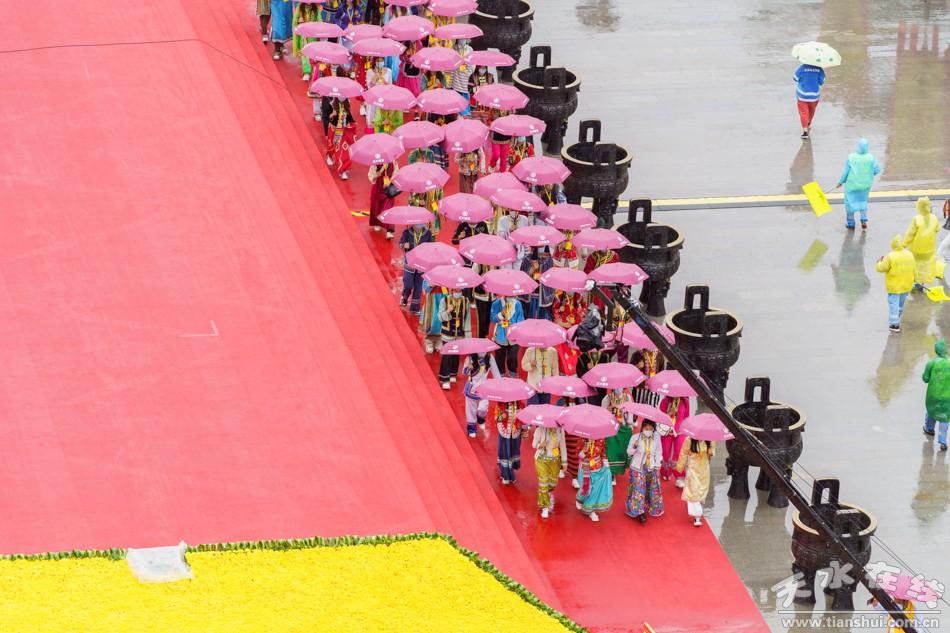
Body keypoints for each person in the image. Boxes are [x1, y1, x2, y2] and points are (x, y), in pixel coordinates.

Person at [833, 138, 881, 230]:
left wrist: (840, 182)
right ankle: (863, 220)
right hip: (865, 185)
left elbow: (846, 172)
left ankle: (851, 223)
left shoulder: (851, 157)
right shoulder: (871, 157)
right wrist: (868, 174)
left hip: (852, 185)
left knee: (849, 203)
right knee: (863, 201)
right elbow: (877, 170)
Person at [625, 419, 664, 523]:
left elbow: (659, 452)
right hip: (638, 467)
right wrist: (635, 446)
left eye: (651, 429)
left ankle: (649, 506)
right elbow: (628, 452)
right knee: (639, 490)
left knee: (651, 488)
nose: (649, 431)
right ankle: (639, 512)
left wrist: (657, 464)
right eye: (647, 429)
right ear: (642, 428)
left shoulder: (656, 437)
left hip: (651, 467)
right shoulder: (635, 437)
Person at [874, 235, 915, 332]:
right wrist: (915, 278)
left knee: (893, 304)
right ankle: (898, 315)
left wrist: (878, 262)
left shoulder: (890, 256)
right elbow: (914, 269)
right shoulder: (909, 254)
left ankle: (894, 324)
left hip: (895, 286)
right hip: (906, 285)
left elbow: (882, 268)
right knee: (901, 302)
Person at [903, 197, 941, 290]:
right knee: (925, 266)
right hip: (929, 248)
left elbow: (910, 234)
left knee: (916, 265)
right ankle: (921, 282)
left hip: (917, 248)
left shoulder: (916, 219)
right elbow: (938, 229)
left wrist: (904, 244)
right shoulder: (934, 218)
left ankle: (916, 282)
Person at [675, 438, 714, 526]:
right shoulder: (689, 440)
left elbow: (710, 455)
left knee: (702, 490)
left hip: (704, 469)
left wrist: (711, 453)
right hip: (693, 468)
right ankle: (697, 516)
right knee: (693, 491)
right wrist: (680, 467)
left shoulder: (710, 439)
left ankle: (699, 506)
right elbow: (683, 453)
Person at [437, 289, 471, 389]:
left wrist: (468, 336)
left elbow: (467, 319)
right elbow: (440, 317)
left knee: (456, 354)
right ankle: (444, 378)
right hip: (447, 334)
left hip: (459, 334)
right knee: (446, 356)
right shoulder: (445, 300)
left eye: (459, 290)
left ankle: (453, 373)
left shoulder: (466, 301)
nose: (458, 292)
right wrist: (448, 311)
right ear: (452, 290)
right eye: (456, 290)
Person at [532, 424, 567, 519]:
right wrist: (540, 445)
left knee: (552, 483)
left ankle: (547, 493)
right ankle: (545, 507)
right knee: (543, 483)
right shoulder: (539, 430)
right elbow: (534, 444)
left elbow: (563, 446)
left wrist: (564, 462)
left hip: (555, 461)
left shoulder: (560, 431)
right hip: (541, 460)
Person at [575, 438, 612, 522]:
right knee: (586, 490)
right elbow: (577, 454)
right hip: (585, 467)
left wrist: (606, 465)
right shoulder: (582, 440)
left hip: (598, 469)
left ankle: (590, 510)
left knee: (595, 491)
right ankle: (579, 498)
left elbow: (603, 453)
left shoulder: (601, 440)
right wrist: (583, 452)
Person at [922, 339, 950, 451]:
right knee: (945, 417)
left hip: (933, 395)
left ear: (936, 350)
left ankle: (929, 429)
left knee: (931, 410)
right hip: (947, 396)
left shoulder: (931, 363)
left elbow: (925, 379)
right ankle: (943, 442)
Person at [462, 353, 499, 437]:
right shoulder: (470, 357)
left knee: (483, 408)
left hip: (484, 387)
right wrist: (468, 367)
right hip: (471, 387)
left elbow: (496, 372)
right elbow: (464, 372)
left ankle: (480, 418)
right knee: (470, 409)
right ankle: (471, 428)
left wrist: (499, 383)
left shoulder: (490, 357)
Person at [399, 223, 432, 313]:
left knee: (418, 286)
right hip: (410, 263)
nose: (419, 225)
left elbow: (430, 246)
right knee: (408, 283)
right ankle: (405, 296)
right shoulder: (406, 232)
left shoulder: (428, 233)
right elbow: (400, 244)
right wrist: (404, 245)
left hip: (421, 264)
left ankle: (415, 308)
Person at [659, 394, 689, 486]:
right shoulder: (665, 401)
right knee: (666, 453)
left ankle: (680, 476)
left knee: (679, 453)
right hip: (667, 430)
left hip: (680, 431)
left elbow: (686, 416)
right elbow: (660, 416)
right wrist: (669, 414)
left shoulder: (685, 401)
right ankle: (666, 472)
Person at [490, 295, 524, 377]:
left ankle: (513, 374)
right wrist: (501, 314)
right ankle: (500, 375)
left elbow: (521, 320)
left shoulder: (517, 304)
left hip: (514, 335)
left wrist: (513, 325)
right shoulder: (496, 303)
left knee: (513, 357)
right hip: (500, 335)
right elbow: (492, 318)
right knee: (499, 357)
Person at [603, 388, 633, 481]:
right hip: (611, 428)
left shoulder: (627, 397)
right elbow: (603, 413)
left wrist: (630, 424)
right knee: (611, 451)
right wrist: (609, 408)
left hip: (623, 427)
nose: (618, 388)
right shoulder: (607, 398)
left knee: (621, 450)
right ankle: (612, 473)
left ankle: (618, 470)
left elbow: (630, 412)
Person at [495, 401, 525, 484]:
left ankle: (508, 473)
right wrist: (501, 417)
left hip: (515, 435)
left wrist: (523, 427)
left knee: (512, 454)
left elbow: (524, 419)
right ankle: (506, 476)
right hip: (504, 434)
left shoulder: (521, 405)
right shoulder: (500, 404)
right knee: (505, 454)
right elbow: (496, 419)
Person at [793, 62, 825, 139]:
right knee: (811, 110)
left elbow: (795, 78)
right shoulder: (819, 69)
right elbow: (821, 82)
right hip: (814, 95)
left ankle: (805, 131)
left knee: (803, 113)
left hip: (802, 95)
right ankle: (808, 121)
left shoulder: (803, 67)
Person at [327, 98, 356, 180]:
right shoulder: (331, 104)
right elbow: (326, 117)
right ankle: (329, 155)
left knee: (344, 151)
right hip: (334, 130)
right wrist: (333, 114)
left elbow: (350, 117)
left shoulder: (347, 104)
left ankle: (343, 170)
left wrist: (352, 124)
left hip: (344, 132)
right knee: (333, 147)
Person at [368, 161, 398, 238]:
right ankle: (378, 223)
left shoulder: (393, 162)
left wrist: (390, 182)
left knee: (388, 209)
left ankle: (389, 230)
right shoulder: (375, 162)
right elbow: (371, 176)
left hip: (388, 190)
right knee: (376, 208)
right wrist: (380, 171)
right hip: (378, 188)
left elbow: (396, 174)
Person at [292, 1, 319, 80]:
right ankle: (306, 72)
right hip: (303, 35)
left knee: (312, 53)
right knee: (304, 53)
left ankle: (314, 70)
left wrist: (315, 24)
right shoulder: (300, 7)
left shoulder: (316, 8)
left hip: (312, 35)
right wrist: (298, 22)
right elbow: (294, 21)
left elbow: (319, 21)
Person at [365, 58, 394, 132]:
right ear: (375, 61)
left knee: (383, 121)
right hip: (373, 100)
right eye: (378, 61)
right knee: (373, 120)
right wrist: (376, 77)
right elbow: (369, 87)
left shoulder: (388, 71)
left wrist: (382, 78)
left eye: (381, 60)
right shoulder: (369, 72)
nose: (380, 62)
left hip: (384, 99)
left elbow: (390, 86)